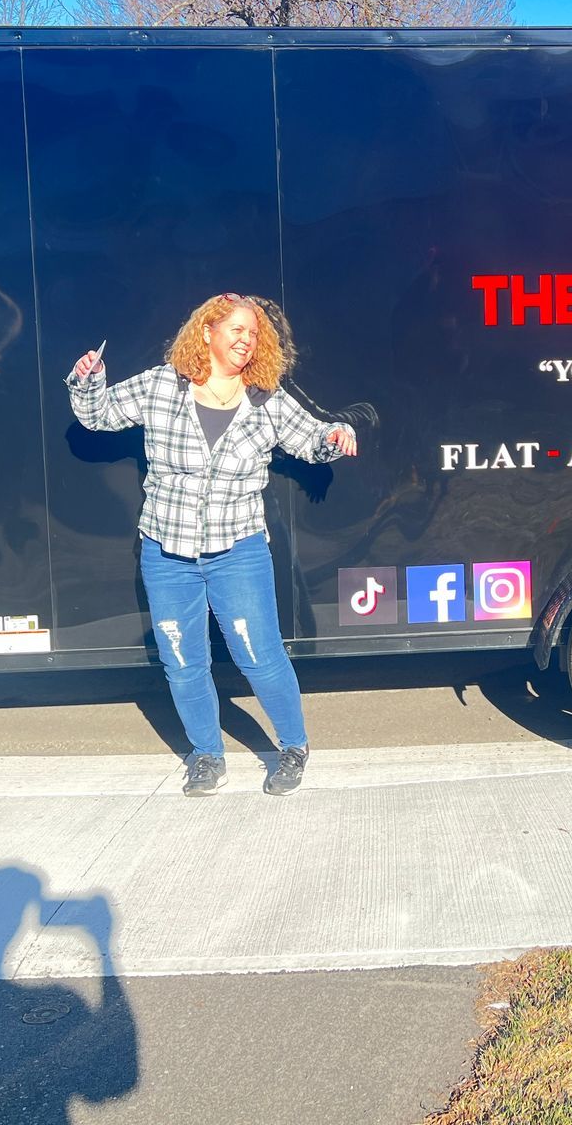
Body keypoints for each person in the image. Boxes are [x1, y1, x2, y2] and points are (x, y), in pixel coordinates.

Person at [68, 293, 357, 796]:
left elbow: (312, 438)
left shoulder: (265, 399)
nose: (246, 340)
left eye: (254, 334)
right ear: (206, 331)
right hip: (167, 551)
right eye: (237, 330)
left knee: (258, 655)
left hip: (237, 551)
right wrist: (88, 378)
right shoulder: (162, 385)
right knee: (182, 661)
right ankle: (206, 755)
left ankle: (293, 747)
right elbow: (98, 416)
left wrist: (336, 435)